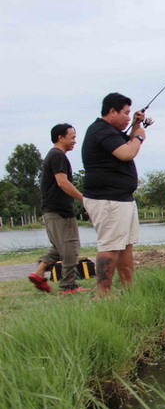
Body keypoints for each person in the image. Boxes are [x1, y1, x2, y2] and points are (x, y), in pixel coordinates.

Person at [81, 92, 147, 296]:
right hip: (107, 199)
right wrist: (138, 136)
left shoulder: (110, 132)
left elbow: (124, 145)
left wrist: (135, 125)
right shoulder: (101, 130)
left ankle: (128, 290)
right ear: (112, 111)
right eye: (126, 113)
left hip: (121, 198)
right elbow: (127, 152)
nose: (128, 117)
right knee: (110, 245)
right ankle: (102, 295)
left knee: (125, 245)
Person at [28, 124, 86, 294]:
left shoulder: (53, 156)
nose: (75, 141)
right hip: (60, 211)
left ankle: (38, 273)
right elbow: (62, 182)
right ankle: (68, 286)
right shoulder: (58, 156)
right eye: (72, 137)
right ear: (61, 137)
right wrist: (84, 199)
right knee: (71, 247)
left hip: (50, 210)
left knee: (59, 247)